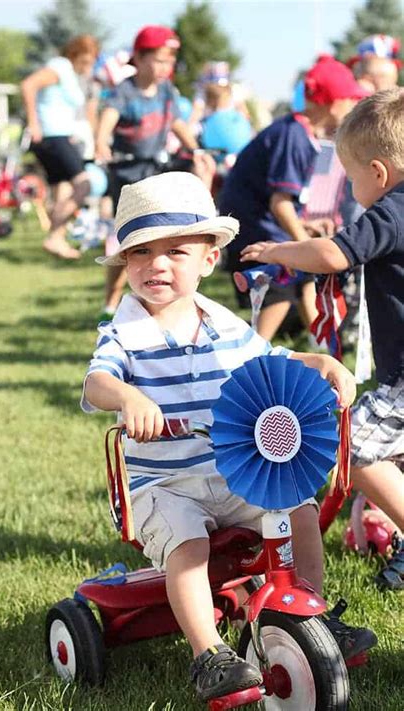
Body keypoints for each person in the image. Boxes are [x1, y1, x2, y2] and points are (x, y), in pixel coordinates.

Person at [81, 171, 376, 701]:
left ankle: (314, 613)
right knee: (190, 544)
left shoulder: (221, 323)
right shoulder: (124, 333)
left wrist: (320, 361)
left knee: (298, 509)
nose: (158, 265)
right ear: (125, 263)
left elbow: (270, 360)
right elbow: (97, 380)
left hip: (232, 473)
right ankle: (209, 654)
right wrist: (129, 397)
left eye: (176, 251)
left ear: (208, 259)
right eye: (141, 252)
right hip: (165, 486)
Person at [241, 88, 404, 590]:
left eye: (350, 177)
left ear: (377, 173)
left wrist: (282, 250)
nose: (351, 187)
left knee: (350, 446)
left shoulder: (393, 207)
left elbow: (335, 255)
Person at [219, 55, 367, 342]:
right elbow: (279, 203)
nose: (353, 106)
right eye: (350, 100)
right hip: (254, 228)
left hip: (264, 223)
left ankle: (325, 342)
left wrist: (305, 227)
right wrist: (305, 244)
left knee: (303, 280)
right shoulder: (293, 135)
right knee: (281, 287)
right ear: (331, 101)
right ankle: (252, 350)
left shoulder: (299, 131)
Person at [95, 25, 214, 319]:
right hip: (127, 177)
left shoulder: (166, 92)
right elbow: (108, 118)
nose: (165, 67)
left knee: (160, 242)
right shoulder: (126, 91)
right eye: (159, 60)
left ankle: (161, 301)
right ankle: (110, 303)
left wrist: (197, 150)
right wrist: (100, 141)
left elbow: (177, 125)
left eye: (170, 61)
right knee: (128, 244)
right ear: (139, 57)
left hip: (156, 174)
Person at [21, 35, 99, 259]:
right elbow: (29, 85)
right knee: (84, 184)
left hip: (62, 136)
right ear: (75, 54)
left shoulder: (71, 75)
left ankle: (57, 239)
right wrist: (33, 123)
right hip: (52, 136)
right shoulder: (60, 67)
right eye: (86, 60)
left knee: (63, 189)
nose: (88, 66)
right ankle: (55, 230)